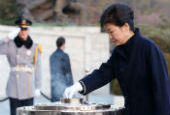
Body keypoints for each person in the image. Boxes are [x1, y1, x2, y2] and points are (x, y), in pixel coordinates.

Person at [64, 3, 170, 115]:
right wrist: (80, 85)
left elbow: (162, 92)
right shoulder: (118, 53)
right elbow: (103, 74)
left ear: (125, 27)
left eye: (111, 31)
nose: (110, 37)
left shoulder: (149, 49)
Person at [0, 17, 42, 115]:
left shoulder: (35, 47)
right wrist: (6, 38)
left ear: (29, 30)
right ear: (17, 30)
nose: (23, 32)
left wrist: (38, 87)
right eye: (21, 29)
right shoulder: (10, 44)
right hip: (14, 87)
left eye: (25, 29)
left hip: (28, 88)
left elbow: (38, 68)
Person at [50, 37, 73, 102]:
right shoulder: (65, 55)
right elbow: (68, 73)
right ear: (63, 44)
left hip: (54, 85)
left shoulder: (52, 56)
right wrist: (71, 86)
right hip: (64, 85)